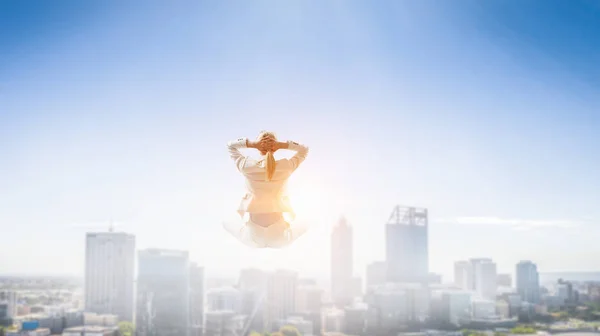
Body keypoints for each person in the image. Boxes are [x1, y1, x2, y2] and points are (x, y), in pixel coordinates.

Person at [224, 131, 309, 248]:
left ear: (259, 147)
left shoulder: (246, 166)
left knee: (227, 225)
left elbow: (230, 146)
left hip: (254, 232)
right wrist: (282, 145)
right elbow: (304, 150)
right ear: (275, 148)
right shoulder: (286, 167)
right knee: (306, 226)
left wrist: (253, 144)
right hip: (279, 231)